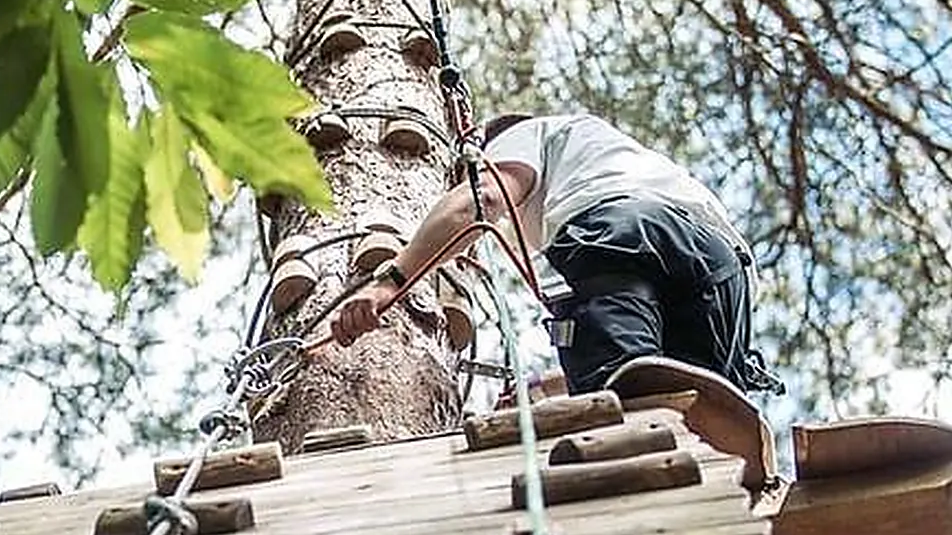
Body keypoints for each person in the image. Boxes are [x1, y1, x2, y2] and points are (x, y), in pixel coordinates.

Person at [329, 111, 783, 396]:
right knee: (693, 408)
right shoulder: (603, 149)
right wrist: (554, 388)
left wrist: (392, 280)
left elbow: (483, 200)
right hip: (723, 269)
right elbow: (640, 342)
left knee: (625, 409)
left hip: (620, 233)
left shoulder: (523, 135)